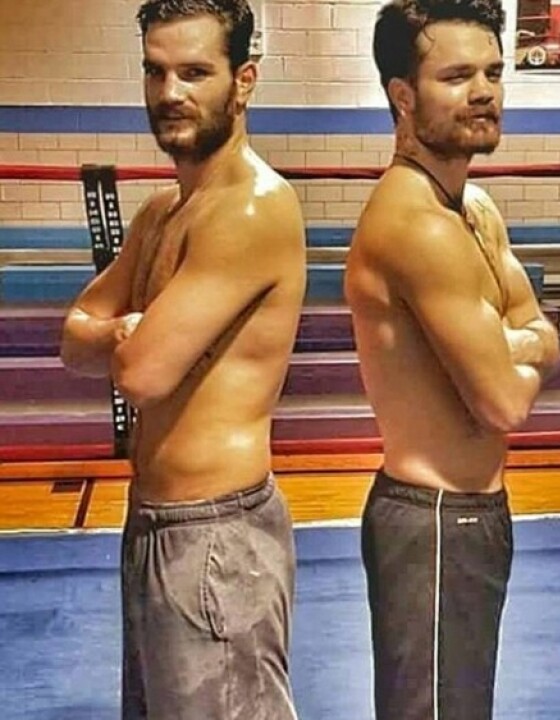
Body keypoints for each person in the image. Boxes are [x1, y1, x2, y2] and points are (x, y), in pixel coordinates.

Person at [58, 1, 306, 717]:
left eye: (195, 72)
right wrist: (121, 333)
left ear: (244, 80)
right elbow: (74, 340)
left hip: (217, 537)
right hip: (153, 525)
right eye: (156, 71)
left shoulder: (251, 209)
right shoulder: (161, 214)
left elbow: (143, 375)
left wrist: (119, 339)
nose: (170, 93)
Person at [346, 1, 560, 718]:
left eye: (493, 73)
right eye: (456, 75)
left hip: (471, 513)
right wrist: (519, 347)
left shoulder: (476, 211)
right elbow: (504, 401)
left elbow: (541, 332)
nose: (484, 92)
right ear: (402, 96)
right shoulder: (417, 224)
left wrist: (515, 343)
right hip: (433, 519)